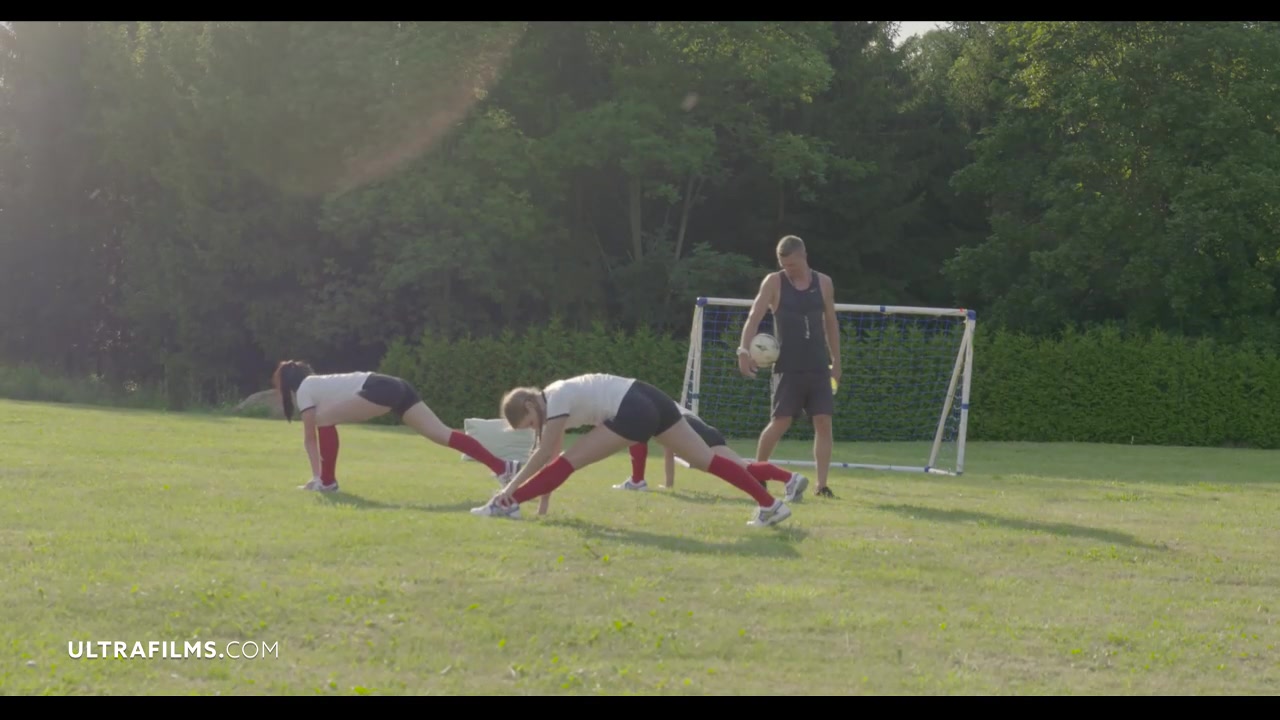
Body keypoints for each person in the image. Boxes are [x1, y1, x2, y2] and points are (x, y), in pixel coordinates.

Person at [470, 373, 795, 527]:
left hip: (633, 408)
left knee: (572, 461)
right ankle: (770, 505)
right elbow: (549, 457)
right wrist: (542, 506)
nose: (534, 429)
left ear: (530, 405)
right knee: (707, 460)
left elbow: (545, 456)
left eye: (529, 423)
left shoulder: (555, 400)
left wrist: (508, 492)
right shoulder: (556, 396)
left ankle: (504, 506)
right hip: (652, 395)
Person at [271, 360, 521, 492]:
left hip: (381, 389)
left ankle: (327, 482)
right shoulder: (317, 383)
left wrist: (316, 477)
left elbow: (310, 438)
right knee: (442, 434)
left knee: (323, 419)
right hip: (396, 385)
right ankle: (503, 467)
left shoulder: (305, 389)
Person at [737, 235, 839, 498]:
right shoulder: (774, 282)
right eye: (783, 265)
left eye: (792, 264)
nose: (788, 269)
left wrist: (836, 361)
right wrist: (743, 351)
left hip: (818, 365)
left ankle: (822, 486)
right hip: (787, 367)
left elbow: (830, 322)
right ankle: (758, 475)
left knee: (824, 421)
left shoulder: (824, 282)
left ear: (804, 256)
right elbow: (753, 317)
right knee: (780, 422)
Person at [614, 406, 810, 502]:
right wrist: (669, 484)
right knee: (742, 467)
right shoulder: (661, 407)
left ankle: (790, 478)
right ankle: (636, 481)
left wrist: (665, 484)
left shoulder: (651, 410)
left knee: (745, 468)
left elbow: (663, 448)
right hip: (703, 431)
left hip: (701, 433)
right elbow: (668, 449)